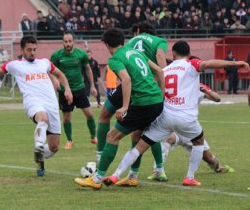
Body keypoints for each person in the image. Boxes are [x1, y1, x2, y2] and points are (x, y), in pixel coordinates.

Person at [103, 41, 248, 187]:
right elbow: (209, 64)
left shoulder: (165, 69)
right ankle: (189, 177)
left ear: (173, 54)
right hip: (186, 118)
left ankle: (115, 175)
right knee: (199, 142)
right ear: (189, 54)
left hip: (165, 117)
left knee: (139, 147)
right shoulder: (191, 64)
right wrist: (235, 64)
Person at [0, 35, 73, 177]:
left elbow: (60, 74)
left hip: (52, 104)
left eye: (34, 49)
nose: (32, 53)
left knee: (54, 147)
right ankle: (39, 146)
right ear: (22, 49)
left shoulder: (44, 63)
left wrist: (67, 88)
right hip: (33, 102)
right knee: (43, 119)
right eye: (29, 50)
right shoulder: (15, 65)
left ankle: (40, 155)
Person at [74, 28, 164, 190]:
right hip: (156, 101)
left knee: (112, 136)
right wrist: (161, 95)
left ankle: (96, 180)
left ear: (107, 44)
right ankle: (132, 176)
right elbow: (158, 70)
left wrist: (124, 106)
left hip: (143, 103)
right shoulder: (135, 52)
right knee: (137, 135)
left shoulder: (115, 59)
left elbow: (126, 80)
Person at [148, 83, 234, 180]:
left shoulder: (197, 86)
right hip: (174, 127)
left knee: (210, 158)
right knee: (167, 140)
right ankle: (157, 170)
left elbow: (217, 99)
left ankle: (218, 167)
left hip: (190, 130)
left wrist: (205, 91)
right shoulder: (174, 86)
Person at [50, 32, 97, 150]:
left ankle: (93, 136)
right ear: (62, 43)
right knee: (66, 117)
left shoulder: (81, 54)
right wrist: (55, 80)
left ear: (74, 42)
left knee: (90, 114)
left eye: (70, 41)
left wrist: (92, 86)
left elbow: (88, 69)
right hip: (64, 90)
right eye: (65, 41)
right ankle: (69, 140)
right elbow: (50, 70)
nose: (68, 44)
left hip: (79, 89)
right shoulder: (56, 56)